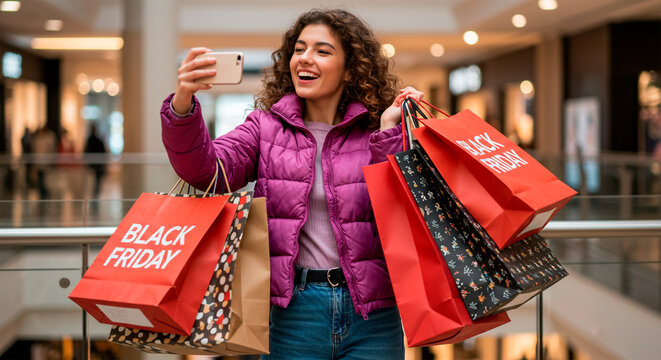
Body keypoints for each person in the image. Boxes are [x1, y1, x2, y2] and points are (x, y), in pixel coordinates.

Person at [161, 9, 423, 359]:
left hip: (373, 311)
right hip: (294, 312)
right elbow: (204, 171)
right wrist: (182, 105)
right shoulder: (265, 128)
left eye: (322, 51)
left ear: (351, 68)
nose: (305, 58)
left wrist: (391, 133)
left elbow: (399, 210)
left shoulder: (377, 130)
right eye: (299, 49)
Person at [84, 124, 107, 197]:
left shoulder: (94, 140)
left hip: (96, 164)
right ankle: (94, 194)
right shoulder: (94, 140)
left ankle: (95, 194)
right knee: (94, 181)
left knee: (96, 181)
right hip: (94, 164)